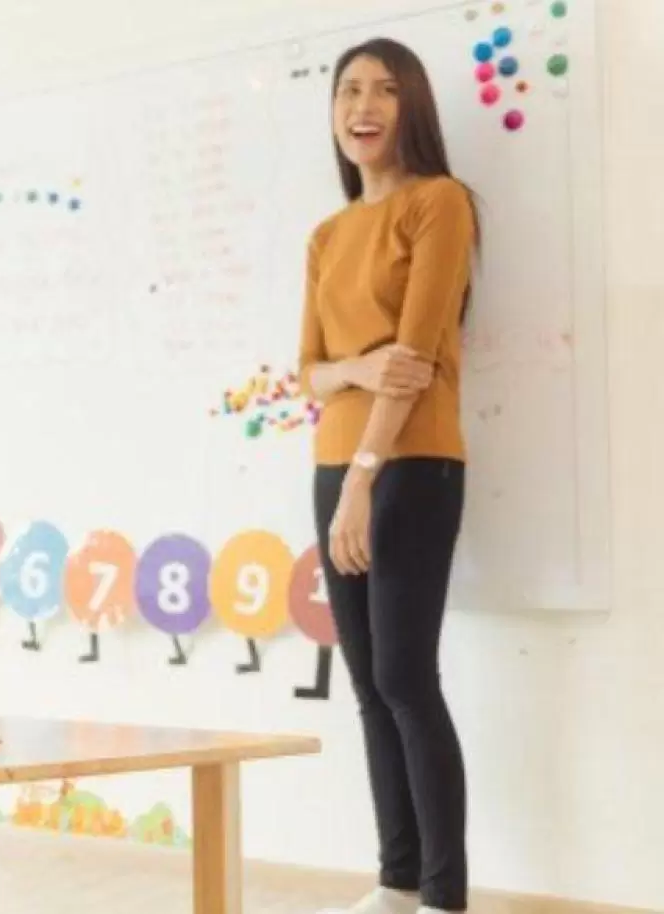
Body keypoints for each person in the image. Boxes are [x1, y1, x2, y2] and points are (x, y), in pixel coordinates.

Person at [298, 37, 479, 914]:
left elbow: (414, 359)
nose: (362, 107)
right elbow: (308, 372)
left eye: (383, 90)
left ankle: (444, 895)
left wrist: (365, 475)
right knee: (370, 687)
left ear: (413, 106)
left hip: (409, 465)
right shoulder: (327, 234)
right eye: (348, 91)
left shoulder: (439, 203)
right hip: (334, 468)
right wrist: (354, 370)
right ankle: (397, 881)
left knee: (406, 678)